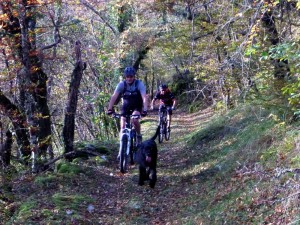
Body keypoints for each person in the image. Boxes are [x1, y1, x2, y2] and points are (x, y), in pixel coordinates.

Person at [107, 66, 148, 145]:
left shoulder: (139, 84)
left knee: (134, 120)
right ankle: (121, 148)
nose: (129, 78)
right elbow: (114, 96)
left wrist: (145, 109)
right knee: (122, 126)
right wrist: (109, 108)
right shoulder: (122, 84)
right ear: (125, 77)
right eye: (127, 77)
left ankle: (138, 135)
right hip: (126, 105)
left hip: (137, 105)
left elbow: (144, 97)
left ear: (134, 76)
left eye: (131, 77)